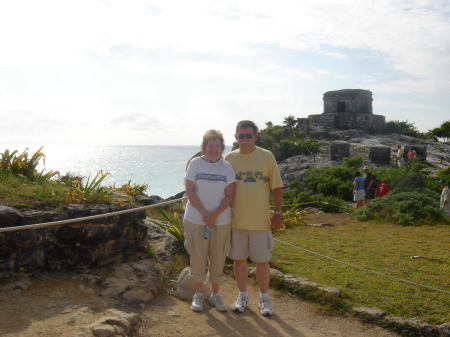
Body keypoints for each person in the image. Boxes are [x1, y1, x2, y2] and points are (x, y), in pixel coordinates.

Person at [224, 120, 283, 317]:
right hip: (235, 222)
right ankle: (243, 295)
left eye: (249, 135)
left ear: (255, 136)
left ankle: (264, 298)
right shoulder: (229, 159)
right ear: (236, 138)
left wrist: (278, 213)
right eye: (241, 136)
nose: (245, 139)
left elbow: (277, 187)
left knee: (262, 262)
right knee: (239, 262)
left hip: (260, 222)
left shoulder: (266, 156)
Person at [183, 129, 236, 312]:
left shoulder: (227, 167)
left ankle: (215, 295)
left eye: (217, 146)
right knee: (197, 255)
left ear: (222, 148)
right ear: (204, 147)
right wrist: (206, 214)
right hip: (196, 219)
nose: (213, 149)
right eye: (210, 145)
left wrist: (214, 215)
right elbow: (190, 191)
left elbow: (229, 195)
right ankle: (198, 294)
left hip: (221, 220)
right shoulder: (196, 164)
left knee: (218, 256)